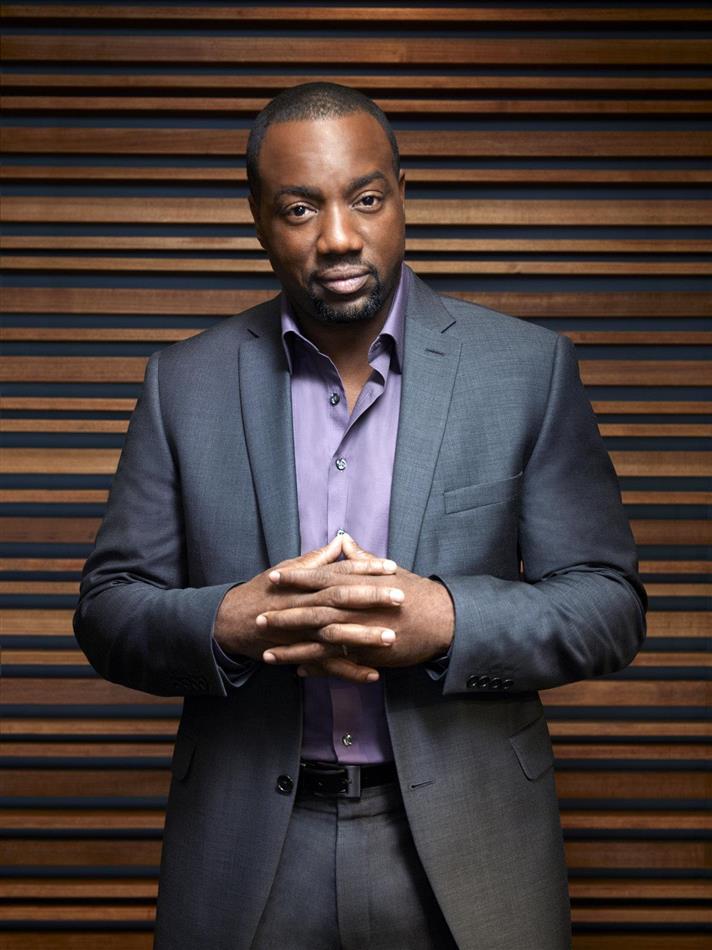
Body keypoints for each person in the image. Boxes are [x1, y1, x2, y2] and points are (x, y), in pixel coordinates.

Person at [74, 82, 647, 950]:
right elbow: (108, 611)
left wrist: (447, 620)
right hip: (248, 848)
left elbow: (609, 604)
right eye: (300, 208)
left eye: (367, 199)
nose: (338, 236)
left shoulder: (527, 370)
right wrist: (233, 623)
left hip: (473, 845)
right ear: (260, 221)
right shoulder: (182, 385)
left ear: (403, 197)